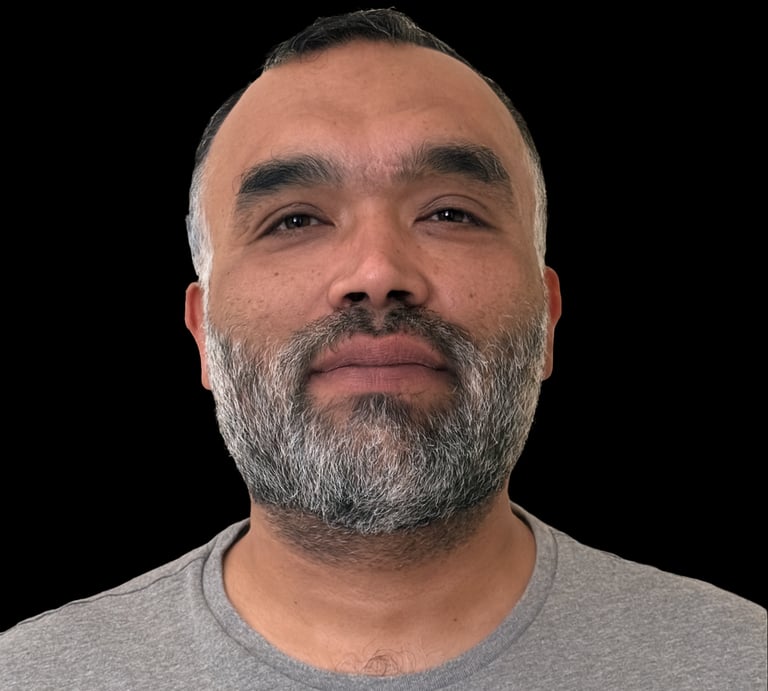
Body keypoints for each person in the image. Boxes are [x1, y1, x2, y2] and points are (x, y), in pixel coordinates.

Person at [1, 7, 765, 689]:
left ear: (548, 321)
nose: (376, 273)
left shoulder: (742, 660)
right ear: (204, 337)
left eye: (450, 213)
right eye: (295, 220)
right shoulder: (29, 674)